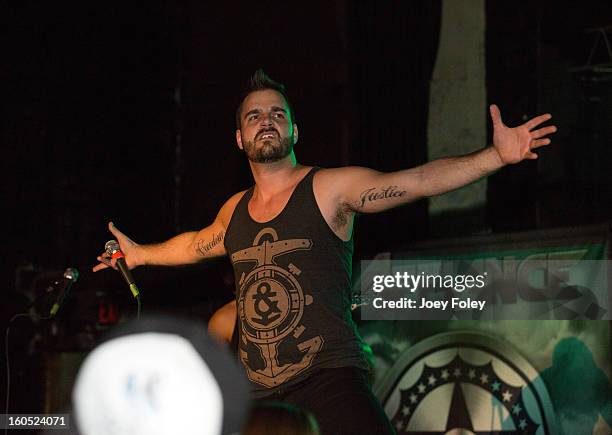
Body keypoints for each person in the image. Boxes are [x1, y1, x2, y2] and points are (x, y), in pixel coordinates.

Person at [93, 69, 557, 434]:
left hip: (330, 379)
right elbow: (195, 245)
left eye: (277, 113)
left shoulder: (329, 189)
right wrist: (141, 255)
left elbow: (412, 182)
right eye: (254, 116)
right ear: (239, 139)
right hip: (261, 398)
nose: (266, 120)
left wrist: (494, 157)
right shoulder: (233, 211)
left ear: (294, 129)